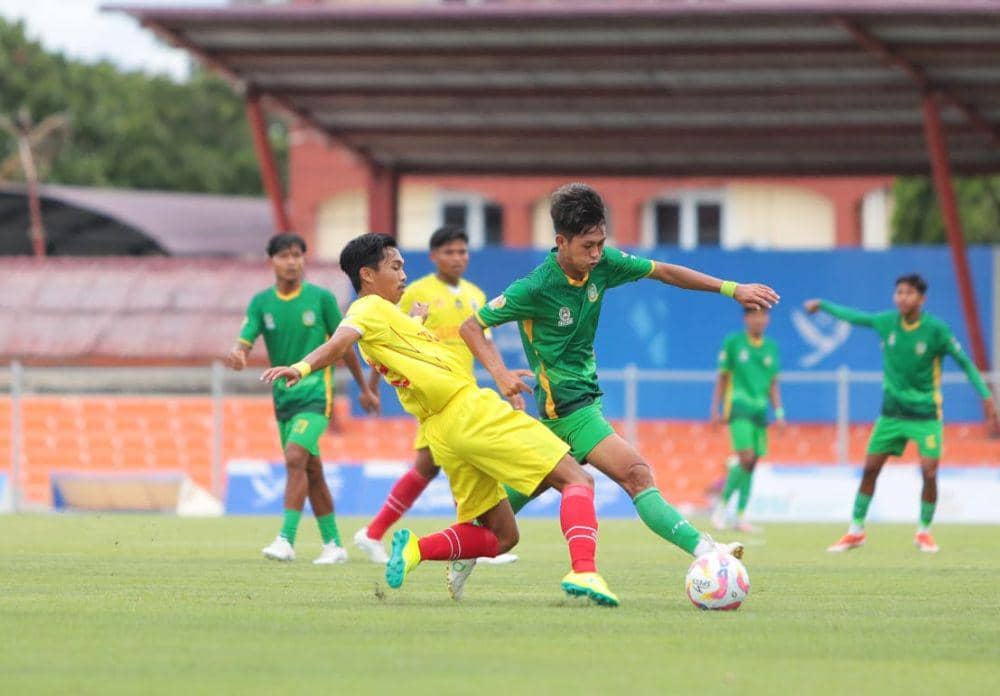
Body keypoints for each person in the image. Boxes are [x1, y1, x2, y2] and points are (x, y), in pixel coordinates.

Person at [262, 233, 620, 606]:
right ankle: (584, 570)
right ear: (367, 275)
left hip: (443, 432)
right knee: (577, 478)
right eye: (395, 267)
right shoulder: (365, 309)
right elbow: (339, 342)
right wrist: (301, 368)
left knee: (501, 537)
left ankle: (416, 549)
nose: (404, 275)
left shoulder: (389, 318)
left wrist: (417, 320)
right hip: (469, 411)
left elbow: (408, 348)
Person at [458, 182, 776, 587]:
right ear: (561, 242)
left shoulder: (603, 263)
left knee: (522, 492)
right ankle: (707, 551)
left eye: (600, 243)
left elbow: (663, 271)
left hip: (579, 402)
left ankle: (464, 541)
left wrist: (731, 289)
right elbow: (472, 326)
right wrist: (501, 374)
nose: (596, 254)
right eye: (588, 245)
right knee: (636, 473)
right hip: (568, 406)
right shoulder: (535, 287)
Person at [352, 225, 516, 566]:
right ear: (434, 256)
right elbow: (383, 340)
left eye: (462, 252)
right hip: (434, 398)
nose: (457, 258)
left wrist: (503, 378)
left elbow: (484, 341)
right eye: (449, 252)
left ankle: (380, 534)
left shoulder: (475, 294)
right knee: (456, 462)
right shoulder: (413, 291)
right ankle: (468, 542)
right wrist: (372, 386)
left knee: (437, 467)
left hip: (462, 392)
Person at [806, 273, 998, 553]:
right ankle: (856, 530)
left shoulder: (936, 330)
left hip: (926, 415)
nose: (902, 297)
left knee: (929, 471)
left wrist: (986, 397)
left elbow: (966, 363)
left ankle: (923, 531)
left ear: (922, 299)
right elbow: (854, 317)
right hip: (891, 414)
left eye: (908, 293)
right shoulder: (886, 322)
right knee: (871, 468)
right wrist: (823, 305)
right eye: (899, 292)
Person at [226, 233, 379, 564]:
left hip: (314, 394)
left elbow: (342, 346)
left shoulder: (320, 299)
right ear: (272, 261)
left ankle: (286, 540)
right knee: (311, 470)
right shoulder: (261, 302)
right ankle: (334, 545)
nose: (292, 261)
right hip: (283, 401)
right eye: (284, 255)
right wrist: (239, 354)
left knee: (295, 457)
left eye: (297, 255)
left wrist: (364, 388)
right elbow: (246, 339)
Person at [710, 308, 784, 532]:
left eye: (762, 315)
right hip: (738, 408)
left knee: (752, 463)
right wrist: (715, 408)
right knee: (746, 457)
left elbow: (772, 383)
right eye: (754, 315)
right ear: (745, 318)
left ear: (768, 319)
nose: (758, 319)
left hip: (760, 412)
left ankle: (740, 516)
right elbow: (723, 377)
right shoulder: (733, 343)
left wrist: (779, 412)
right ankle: (721, 508)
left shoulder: (772, 348)